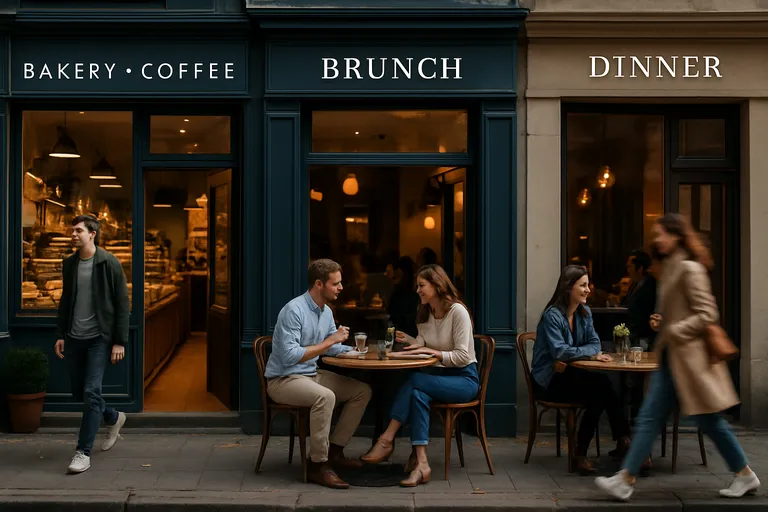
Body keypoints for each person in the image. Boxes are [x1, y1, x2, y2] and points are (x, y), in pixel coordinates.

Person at [596, 213, 760, 501]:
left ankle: (744, 474)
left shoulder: (688, 268)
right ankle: (625, 478)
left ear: (676, 236)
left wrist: (674, 328)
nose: (657, 238)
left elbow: (707, 314)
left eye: (661, 233)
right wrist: (665, 322)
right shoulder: (670, 267)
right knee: (650, 417)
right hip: (675, 358)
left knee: (707, 421)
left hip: (691, 361)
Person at [360, 264, 479, 487]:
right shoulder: (425, 311)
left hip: (463, 380)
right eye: (417, 286)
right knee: (417, 394)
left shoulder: (457, 312)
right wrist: (412, 342)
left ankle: (387, 438)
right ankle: (421, 465)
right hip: (435, 378)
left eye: (421, 285)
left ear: (437, 285)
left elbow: (463, 356)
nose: (418, 291)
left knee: (414, 381)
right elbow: (424, 345)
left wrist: (432, 352)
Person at [264, 259, 372, 489]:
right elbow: (290, 356)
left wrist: (354, 351)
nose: (341, 288)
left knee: (362, 391)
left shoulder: (326, 312)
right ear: (318, 284)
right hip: (284, 379)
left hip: (311, 374)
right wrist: (330, 341)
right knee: (326, 397)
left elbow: (331, 347)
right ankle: (318, 465)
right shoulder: (294, 310)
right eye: (336, 284)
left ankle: (335, 452)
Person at [531, 265, 631, 474]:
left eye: (588, 285)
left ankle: (588, 452)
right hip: (549, 379)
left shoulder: (584, 313)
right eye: (583, 285)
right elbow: (560, 351)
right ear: (569, 288)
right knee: (602, 387)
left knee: (601, 389)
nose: (588, 290)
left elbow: (595, 344)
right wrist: (586, 354)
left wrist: (579, 352)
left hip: (567, 373)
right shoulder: (552, 316)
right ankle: (622, 441)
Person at [54, 215, 128, 474]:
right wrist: (61, 333)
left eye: (78, 231)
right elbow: (66, 300)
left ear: (92, 234)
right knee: (81, 393)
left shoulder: (109, 262)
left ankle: (83, 452)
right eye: (72, 231)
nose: (73, 234)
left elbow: (122, 303)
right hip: (74, 337)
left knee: (91, 392)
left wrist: (119, 341)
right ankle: (113, 417)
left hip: (99, 339)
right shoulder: (70, 263)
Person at [621, 249, 657, 350]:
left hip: (643, 337)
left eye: (629, 267)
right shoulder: (634, 285)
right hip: (633, 335)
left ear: (640, 268)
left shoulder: (650, 286)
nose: (627, 270)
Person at [386, 256, 420, 338]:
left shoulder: (400, 289)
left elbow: (391, 311)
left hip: (403, 331)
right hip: (415, 330)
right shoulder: (416, 288)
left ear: (399, 271)